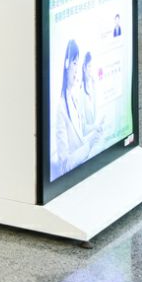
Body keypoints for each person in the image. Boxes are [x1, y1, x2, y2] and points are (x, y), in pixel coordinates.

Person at [52, 38, 87, 179]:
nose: (77, 70)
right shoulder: (60, 108)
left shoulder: (74, 99)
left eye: (78, 64)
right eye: (74, 63)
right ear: (67, 64)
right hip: (72, 177)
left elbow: (81, 137)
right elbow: (64, 165)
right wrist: (88, 146)